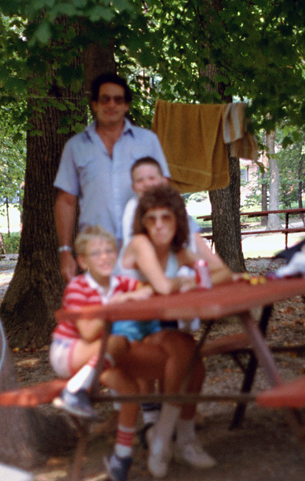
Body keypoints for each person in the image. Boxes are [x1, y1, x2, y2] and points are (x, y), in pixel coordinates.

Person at [117, 184, 237, 477]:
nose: (158, 225)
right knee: (185, 349)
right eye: (151, 219)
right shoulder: (140, 245)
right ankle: (162, 438)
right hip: (124, 338)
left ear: (177, 221)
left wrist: (192, 281)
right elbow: (162, 286)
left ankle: (183, 440)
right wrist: (189, 279)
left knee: (195, 366)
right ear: (142, 223)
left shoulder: (177, 251)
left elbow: (224, 273)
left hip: (157, 328)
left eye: (166, 218)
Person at [49, 225, 152, 481]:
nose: (104, 257)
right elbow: (87, 331)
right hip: (68, 351)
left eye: (109, 251)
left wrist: (134, 294)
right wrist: (115, 304)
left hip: (99, 357)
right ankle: (74, 390)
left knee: (129, 387)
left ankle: (121, 456)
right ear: (83, 261)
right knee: (118, 341)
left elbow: (147, 288)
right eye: (96, 253)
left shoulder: (120, 282)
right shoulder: (78, 287)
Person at [54, 73, 170, 282]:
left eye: (118, 99)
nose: (111, 104)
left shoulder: (147, 141)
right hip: (98, 251)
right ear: (95, 104)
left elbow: (165, 190)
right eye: (105, 99)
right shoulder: (75, 147)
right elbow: (66, 201)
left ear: (126, 105)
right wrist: (65, 251)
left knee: (151, 304)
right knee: (109, 309)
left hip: (145, 243)